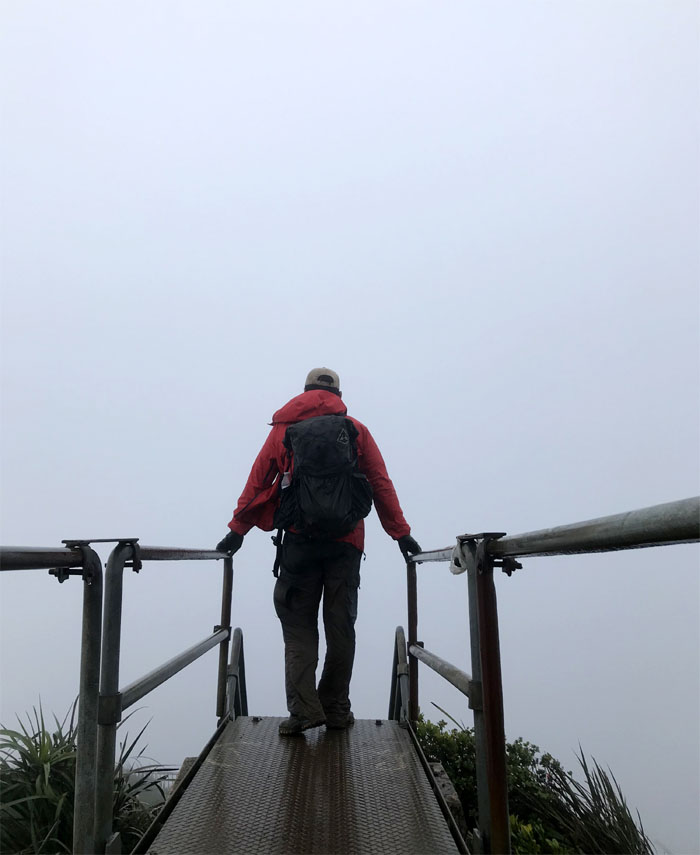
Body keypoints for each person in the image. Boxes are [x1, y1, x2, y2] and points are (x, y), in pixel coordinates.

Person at [216, 368, 421, 736]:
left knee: (298, 630)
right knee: (341, 627)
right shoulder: (356, 430)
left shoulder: (283, 431)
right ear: (339, 395)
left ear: (305, 392)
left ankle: (303, 711)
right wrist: (400, 534)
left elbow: (258, 481)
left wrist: (237, 530)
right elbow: (380, 483)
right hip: (346, 545)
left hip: (298, 543)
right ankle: (336, 710)